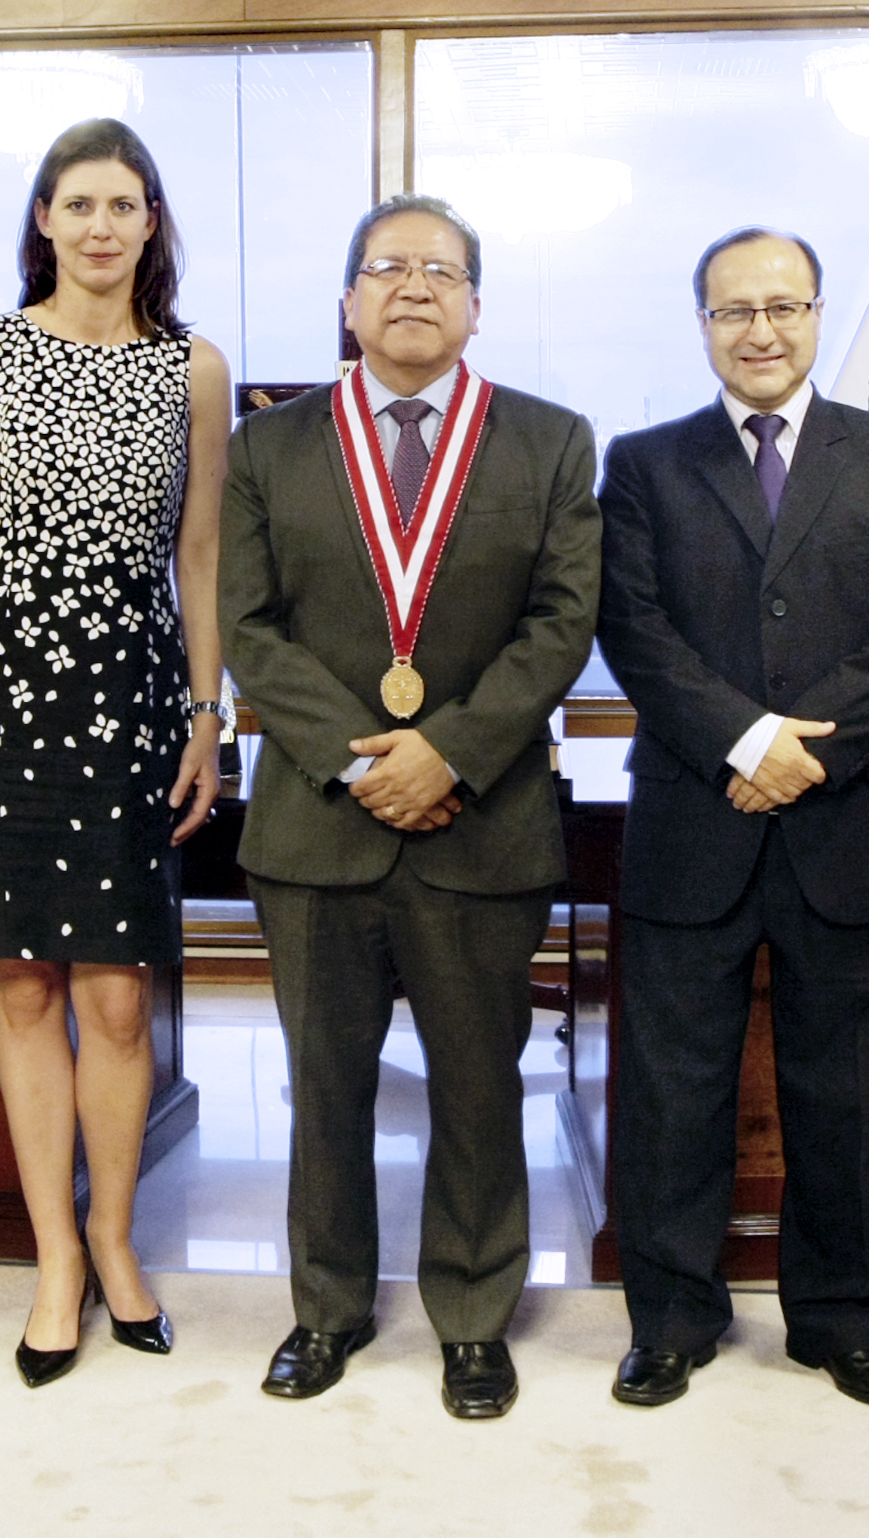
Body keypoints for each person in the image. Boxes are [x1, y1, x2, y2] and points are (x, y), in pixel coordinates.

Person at [219, 194, 601, 1422]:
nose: (413, 287)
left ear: (476, 304)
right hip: (316, 826)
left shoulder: (547, 442)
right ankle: (325, 1308)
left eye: (440, 270)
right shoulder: (267, 446)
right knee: (321, 1083)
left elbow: (561, 618)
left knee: (477, 1086)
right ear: (347, 300)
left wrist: (448, 751)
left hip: (480, 820)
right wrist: (358, 755)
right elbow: (247, 625)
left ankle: (475, 1318)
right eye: (387, 267)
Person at [595, 227, 869, 1410]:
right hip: (691, 820)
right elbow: (633, 629)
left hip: (843, 823)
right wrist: (743, 741)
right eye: (731, 310)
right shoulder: (643, 464)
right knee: (667, 1089)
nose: (758, 329)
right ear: (701, 325)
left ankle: (842, 1321)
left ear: (815, 314)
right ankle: (669, 1318)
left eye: (781, 306)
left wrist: (801, 751)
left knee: (850, 1092)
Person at [0, 118, 230, 1387]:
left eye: (124, 204)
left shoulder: (191, 367)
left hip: (133, 698)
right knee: (24, 988)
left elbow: (197, 557)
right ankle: (52, 1257)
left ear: (152, 224)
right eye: (77, 202)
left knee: (113, 994)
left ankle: (114, 1233)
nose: (101, 225)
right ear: (43, 218)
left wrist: (208, 713)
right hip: (0, 693)